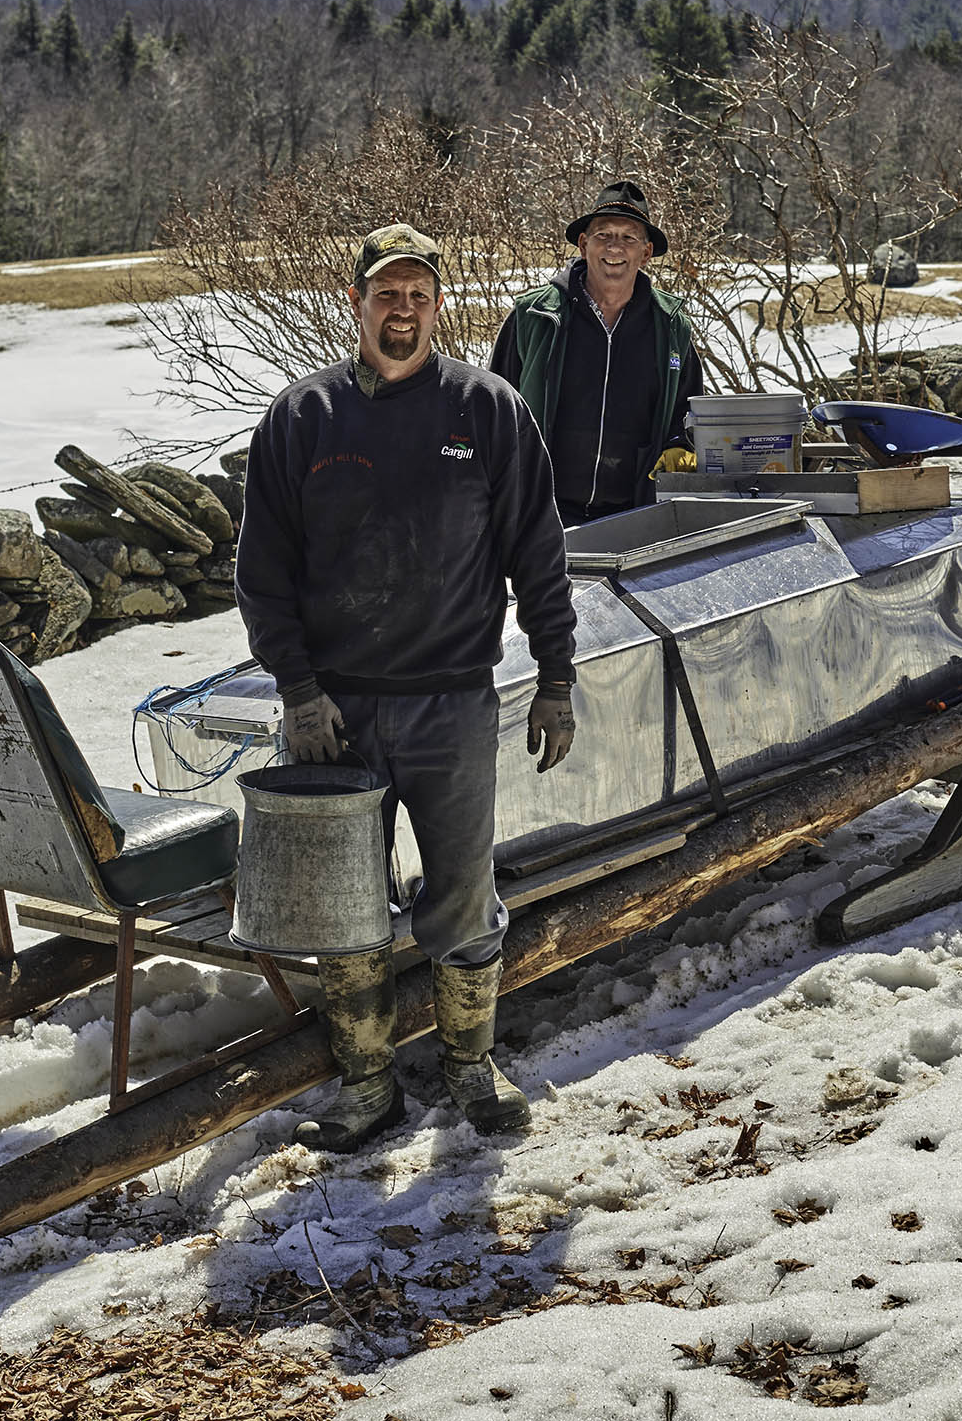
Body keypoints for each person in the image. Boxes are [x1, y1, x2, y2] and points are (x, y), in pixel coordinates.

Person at [235, 222, 580, 1152]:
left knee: (462, 898)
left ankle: (469, 1066)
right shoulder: (303, 417)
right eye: (386, 293)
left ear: (439, 305)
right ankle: (367, 1087)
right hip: (334, 715)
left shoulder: (488, 408)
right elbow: (262, 574)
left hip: (452, 702)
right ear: (356, 302)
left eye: (419, 294)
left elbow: (538, 554)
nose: (403, 309)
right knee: (344, 909)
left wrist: (555, 676)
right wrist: (299, 691)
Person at [490, 180, 705, 526]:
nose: (615, 247)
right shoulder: (535, 316)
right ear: (583, 244)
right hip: (541, 513)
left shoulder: (670, 326)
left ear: (646, 253)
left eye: (629, 237)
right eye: (604, 235)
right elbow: (494, 408)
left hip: (636, 513)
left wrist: (681, 444)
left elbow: (689, 410)